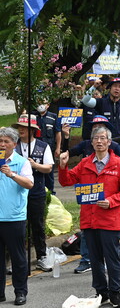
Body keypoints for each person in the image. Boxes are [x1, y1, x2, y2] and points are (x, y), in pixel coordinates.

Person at [59, 125, 120, 308]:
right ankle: (101, 291)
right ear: (91, 142)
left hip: (109, 220)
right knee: (94, 259)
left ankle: (115, 292)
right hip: (89, 221)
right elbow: (66, 180)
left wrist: (111, 201)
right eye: (96, 139)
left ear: (109, 142)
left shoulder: (119, 164)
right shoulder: (84, 163)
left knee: (112, 258)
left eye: (103, 138)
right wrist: (62, 166)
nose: (99, 142)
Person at [12, 114, 53, 272]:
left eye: (24, 127)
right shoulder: (13, 146)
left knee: (37, 225)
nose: (21, 130)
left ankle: (41, 256)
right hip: (16, 192)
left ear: (32, 130)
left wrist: (34, 164)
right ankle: (19, 260)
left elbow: (49, 167)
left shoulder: (43, 146)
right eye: (19, 127)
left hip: (36, 192)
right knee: (18, 226)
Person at [0, 126, 34, 305]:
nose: (2, 144)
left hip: (14, 218)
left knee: (18, 258)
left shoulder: (21, 162)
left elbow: (29, 183)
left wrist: (11, 174)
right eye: (0, 141)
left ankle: (20, 292)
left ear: (14, 144)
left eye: (6, 141)